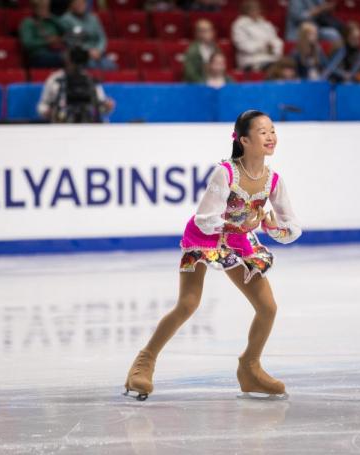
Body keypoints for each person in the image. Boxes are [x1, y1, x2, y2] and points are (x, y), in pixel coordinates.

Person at [124, 110, 302, 401]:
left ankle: (250, 368)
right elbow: (205, 218)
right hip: (204, 239)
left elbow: (292, 227)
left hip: (238, 242)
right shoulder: (226, 172)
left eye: (272, 130)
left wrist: (272, 228)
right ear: (244, 140)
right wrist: (238, 225)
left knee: (267, 307)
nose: (271, 136)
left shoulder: (273, 181)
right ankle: (144, 362)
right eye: (263, 132)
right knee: (188, 303)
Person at [36, 46, 115, 122]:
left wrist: (107, 107)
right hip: (62, 123)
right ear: (66, 58)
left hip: (87, 123)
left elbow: (100, 108)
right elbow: (42, 105)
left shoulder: (90, 80)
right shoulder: (55, 79)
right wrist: (48, 111)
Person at [60, 0, 116, 71]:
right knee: (92, 66)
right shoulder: (66, 20)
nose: (80, 6)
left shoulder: (93, 18)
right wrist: (87, 52)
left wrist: (99, 50)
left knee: (111, 66)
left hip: (97, 53)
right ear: (71, 5)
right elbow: (70, 41)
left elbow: (102, 38)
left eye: (82, 3)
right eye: (77, 3)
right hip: (79, 55)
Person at [231, 0, 283, 72]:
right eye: (252, 9)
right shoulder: (239, 25)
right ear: (246, 10)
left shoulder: (265, 24)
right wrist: (264, 46)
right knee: (277, 69)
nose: (256, 11)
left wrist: (273, 47)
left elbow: (276, 41)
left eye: (257, 9)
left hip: (271, 58)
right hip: (251, 61)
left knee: (287, 66)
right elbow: (244, 46)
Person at [20, 0, 67, 68]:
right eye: (42, 8)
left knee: (76, 56)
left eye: (47, 8)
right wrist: (47, 42)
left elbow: (66, 31)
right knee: (66, 58)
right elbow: (27, 44)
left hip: (56, 51)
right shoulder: (28, 23)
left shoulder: (50, 21)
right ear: (35, 9)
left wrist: (53, 18)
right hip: (38, 56)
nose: (45, 10)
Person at [183, 18, 221, 83]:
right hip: (197, 84)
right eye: (205, 31)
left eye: (210, 30)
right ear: (198, 33)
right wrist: (203, 84)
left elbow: (222, 68)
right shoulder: (192, 51)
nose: (209, 33)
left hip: (215, 82)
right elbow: (190, 73)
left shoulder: (216, 48)